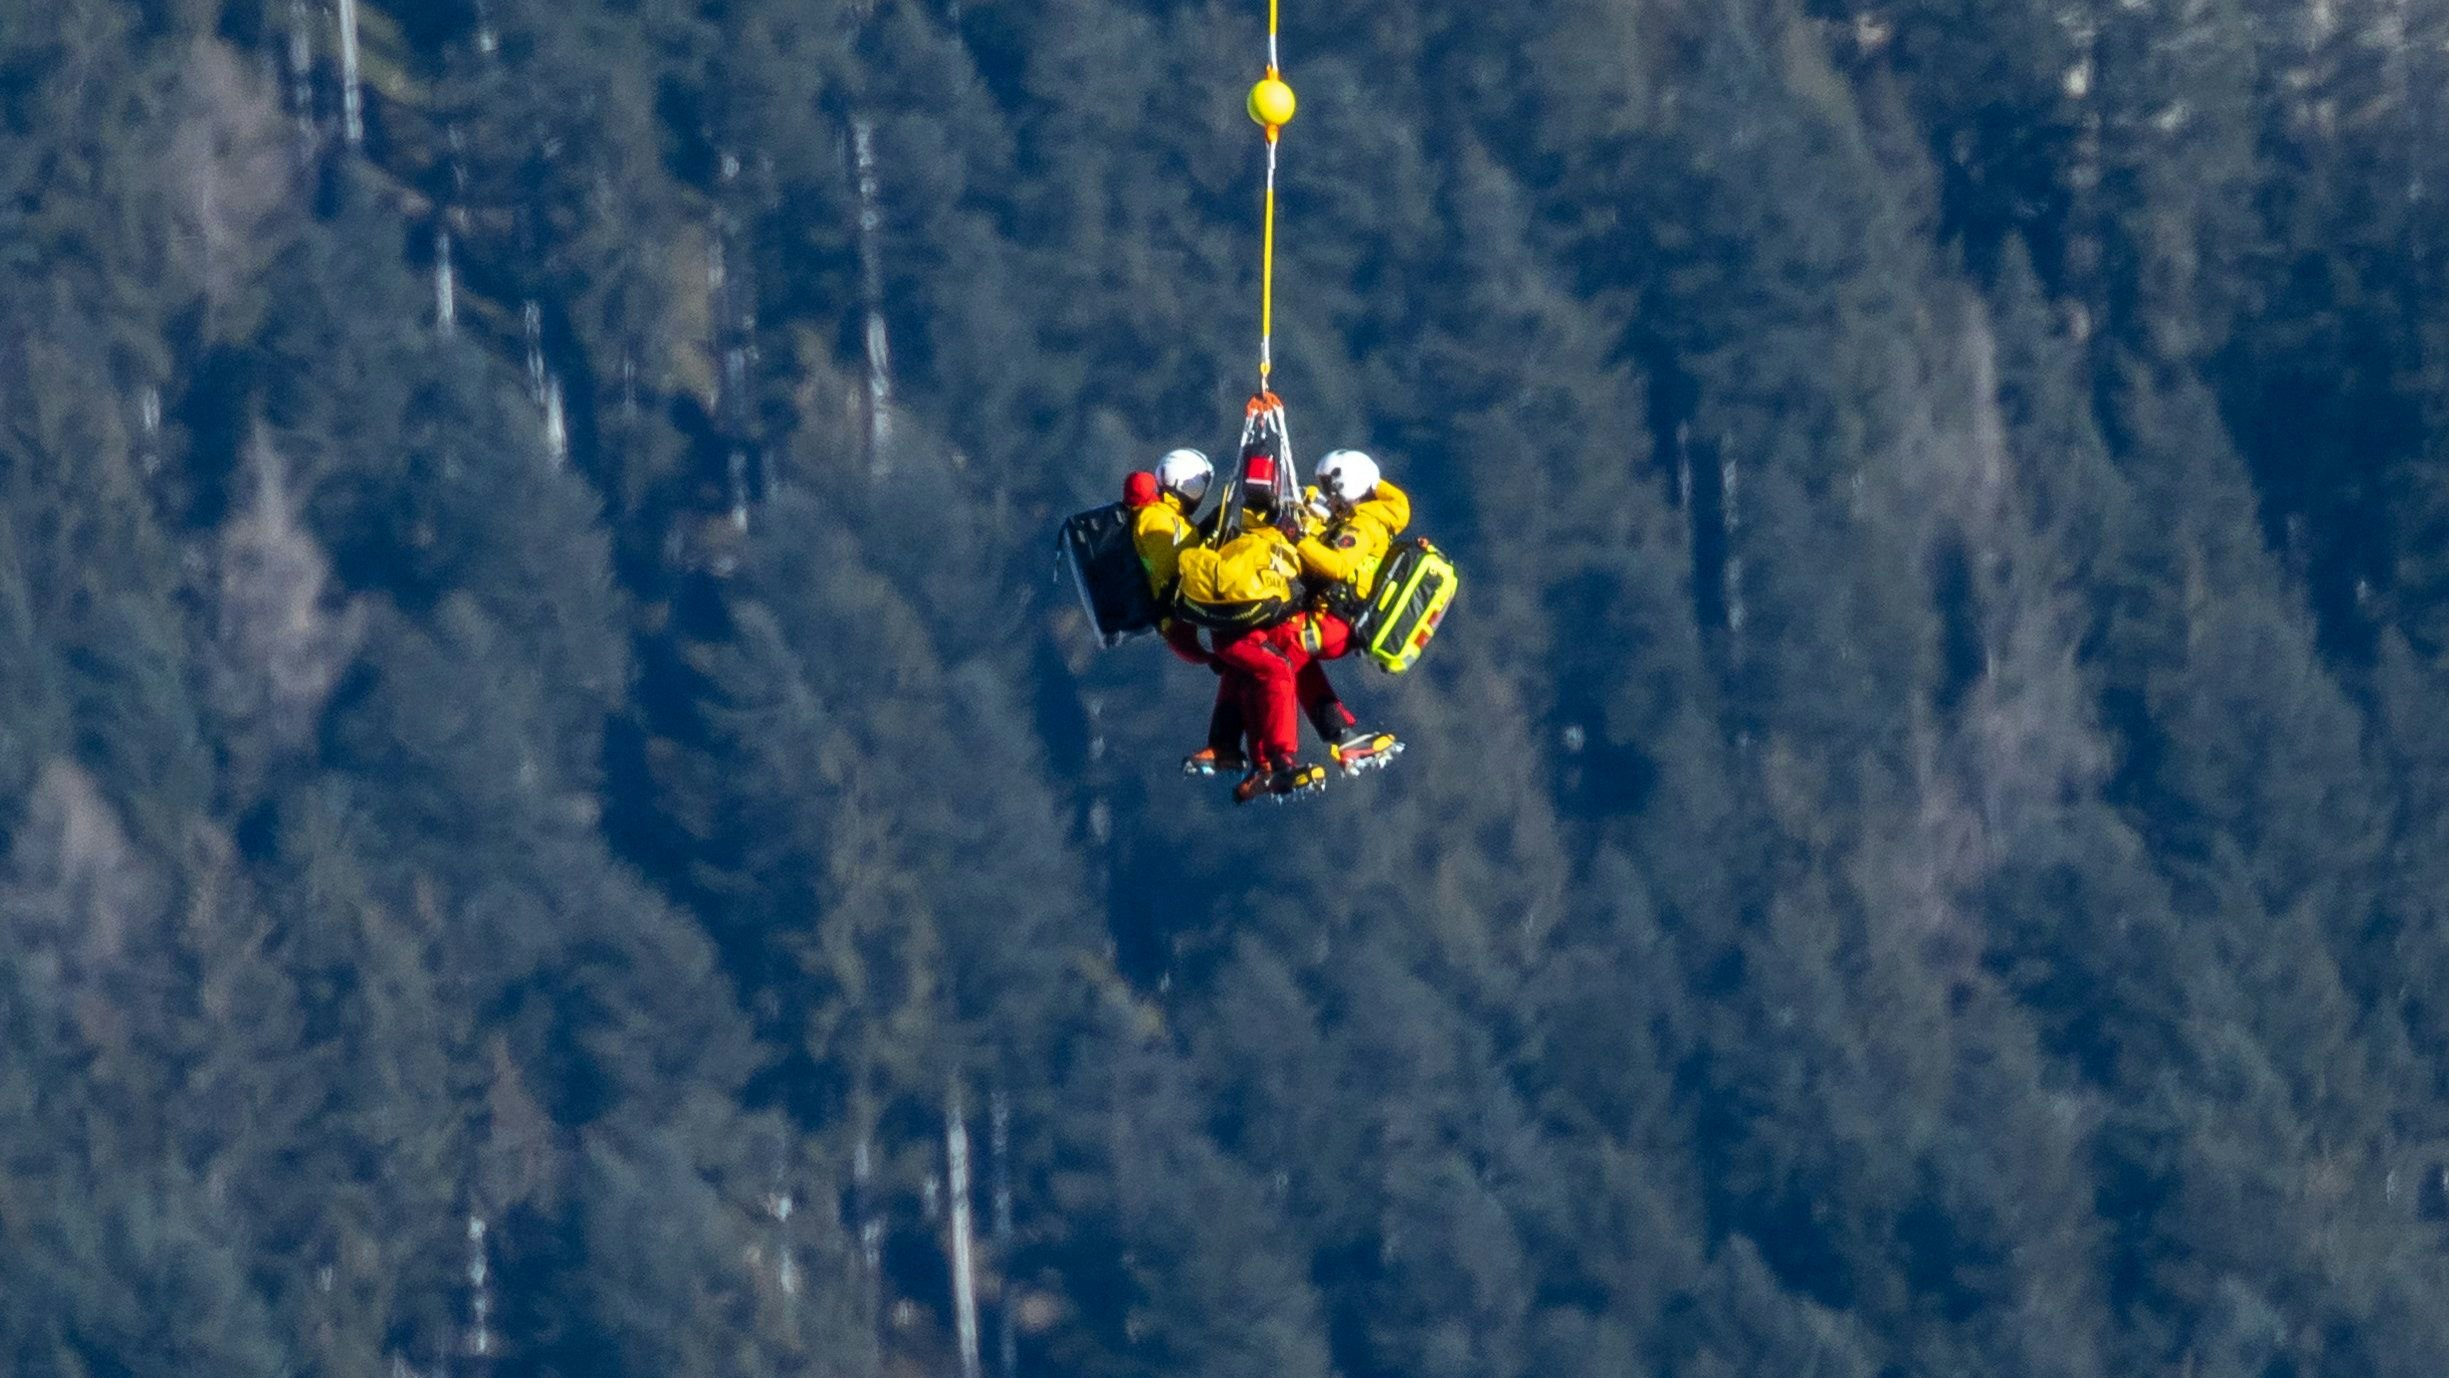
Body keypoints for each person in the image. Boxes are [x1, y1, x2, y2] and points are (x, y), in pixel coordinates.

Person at [1173, 468, 1328, 803]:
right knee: (1278, 668)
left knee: (1248, 673)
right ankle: (1280, 757)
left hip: (1226, 626)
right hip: (1239, 627)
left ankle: (1235, 751)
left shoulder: (1229, 522)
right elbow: (1323, 570)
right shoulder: (1280, 532)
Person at [1287, 449, 1408, 772]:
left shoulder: (1364, 525)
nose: (1331, 499)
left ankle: (1277, 751)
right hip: (1333, 623)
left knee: (1272, 645)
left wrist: (1296, 537)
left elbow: (1339, 565)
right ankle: (1341, 734)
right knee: (1292, 661)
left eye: (1332, 490)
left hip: (1332, 626)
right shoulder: (1363, 520)